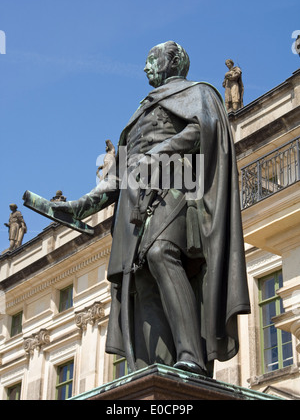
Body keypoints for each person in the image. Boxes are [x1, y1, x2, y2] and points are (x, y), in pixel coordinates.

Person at [30, 41, 250, 376]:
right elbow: (119, 174)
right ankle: (158, 367)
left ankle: (190, 355)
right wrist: (79, 207)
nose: (145, 68)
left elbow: (203, 130)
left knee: (162, 252)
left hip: (178, 186)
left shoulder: (199, 92)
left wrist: (160, 152)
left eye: (151, 60)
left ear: (172, 62)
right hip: (136, 204)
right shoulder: (140, 112)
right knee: (142, 277)